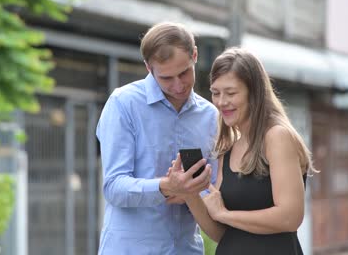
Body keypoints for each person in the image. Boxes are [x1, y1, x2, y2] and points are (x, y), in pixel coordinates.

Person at [172, 47, 314, 254]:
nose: (221, 102)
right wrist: (190, 195)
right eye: (215, 93)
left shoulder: (277, 136)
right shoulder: (228, 149)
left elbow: (290, 217)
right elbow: (222, 233)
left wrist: (224, 214)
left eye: (231, 93)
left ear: (254, 93)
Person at [96, 22, 219, 255]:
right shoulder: (123, 104)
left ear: (195, 55)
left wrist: (191, 193)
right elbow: (113, 186)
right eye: (166, 78)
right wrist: (166, 187)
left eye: (184, 72)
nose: (178, 85)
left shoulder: (211, 116)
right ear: (148, 68)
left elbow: (214, 188)